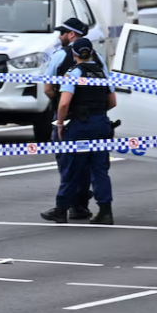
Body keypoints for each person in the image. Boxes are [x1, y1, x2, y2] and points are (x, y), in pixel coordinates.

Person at [40, 38, 116, 225]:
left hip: (81, 126)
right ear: (91, 53)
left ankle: (61, 209)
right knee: (99, 170)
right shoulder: (101, 73)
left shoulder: (73, 73)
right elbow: (112, 102)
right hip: (100, 124)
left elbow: (64, 102)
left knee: (72, 168)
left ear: (74, 54)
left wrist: (59, 124)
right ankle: (105, 211)